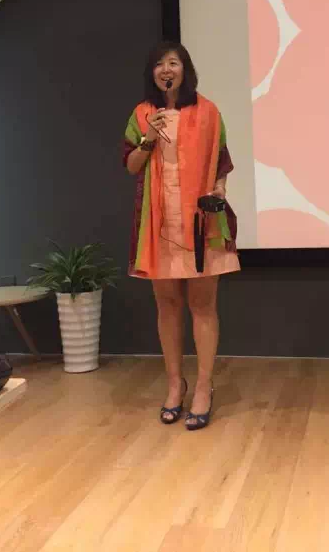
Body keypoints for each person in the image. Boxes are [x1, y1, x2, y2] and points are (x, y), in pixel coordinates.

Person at [122, 41, 240, 430]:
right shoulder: (142, 114)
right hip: (159, 224)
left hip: (200, 222)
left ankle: (204, 387)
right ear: (152, 73)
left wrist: (219, 189)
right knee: (167, 305)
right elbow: (131, 165)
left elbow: (221, 163)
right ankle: (175, 385)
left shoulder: (208, 111)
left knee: (202, 305)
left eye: (173, 63)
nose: (166, 70)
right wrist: (148, 138)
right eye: (159, 64)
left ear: (185, 69)